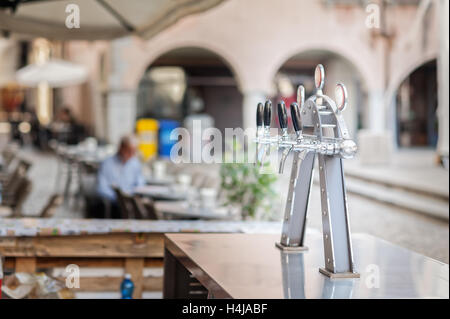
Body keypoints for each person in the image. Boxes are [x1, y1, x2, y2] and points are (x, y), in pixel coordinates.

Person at [96, 135, 145, 217]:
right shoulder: (107, 164)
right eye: (129, 151)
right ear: (121, 148)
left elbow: (141, 183)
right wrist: (118, 198)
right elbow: (101, 188)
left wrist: (133, 195)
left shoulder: (135, 163)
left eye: (134, 151)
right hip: (114, 204)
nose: (131, 154)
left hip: (131, 201)